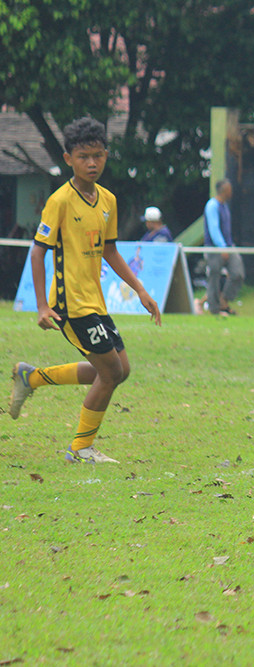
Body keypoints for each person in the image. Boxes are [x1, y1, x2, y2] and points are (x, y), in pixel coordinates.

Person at [7, 116, 162, 463]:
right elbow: (37, 250)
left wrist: (139, 289)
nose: (91, 163)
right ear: (68, 159)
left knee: (120, 370)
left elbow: (110, 251)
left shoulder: (107, 200)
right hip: (70, 304)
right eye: (82, 157)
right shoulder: (60, 201)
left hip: (95, 301)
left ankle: (31, 378)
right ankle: (80, 449)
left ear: (106, 155)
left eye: (97, 155)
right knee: (110, 373)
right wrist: (43, 307)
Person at [203, 179, 244, 315]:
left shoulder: (225, 206)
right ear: (224, 190)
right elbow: (214, 228)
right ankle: (214, 309)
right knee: (214, 277)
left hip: (228, 245)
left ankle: (224, 300)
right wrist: (222, 247)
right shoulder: (212, 206)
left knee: (237, 273)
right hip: (215, 248)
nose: (231, 192)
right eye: (229, 189)